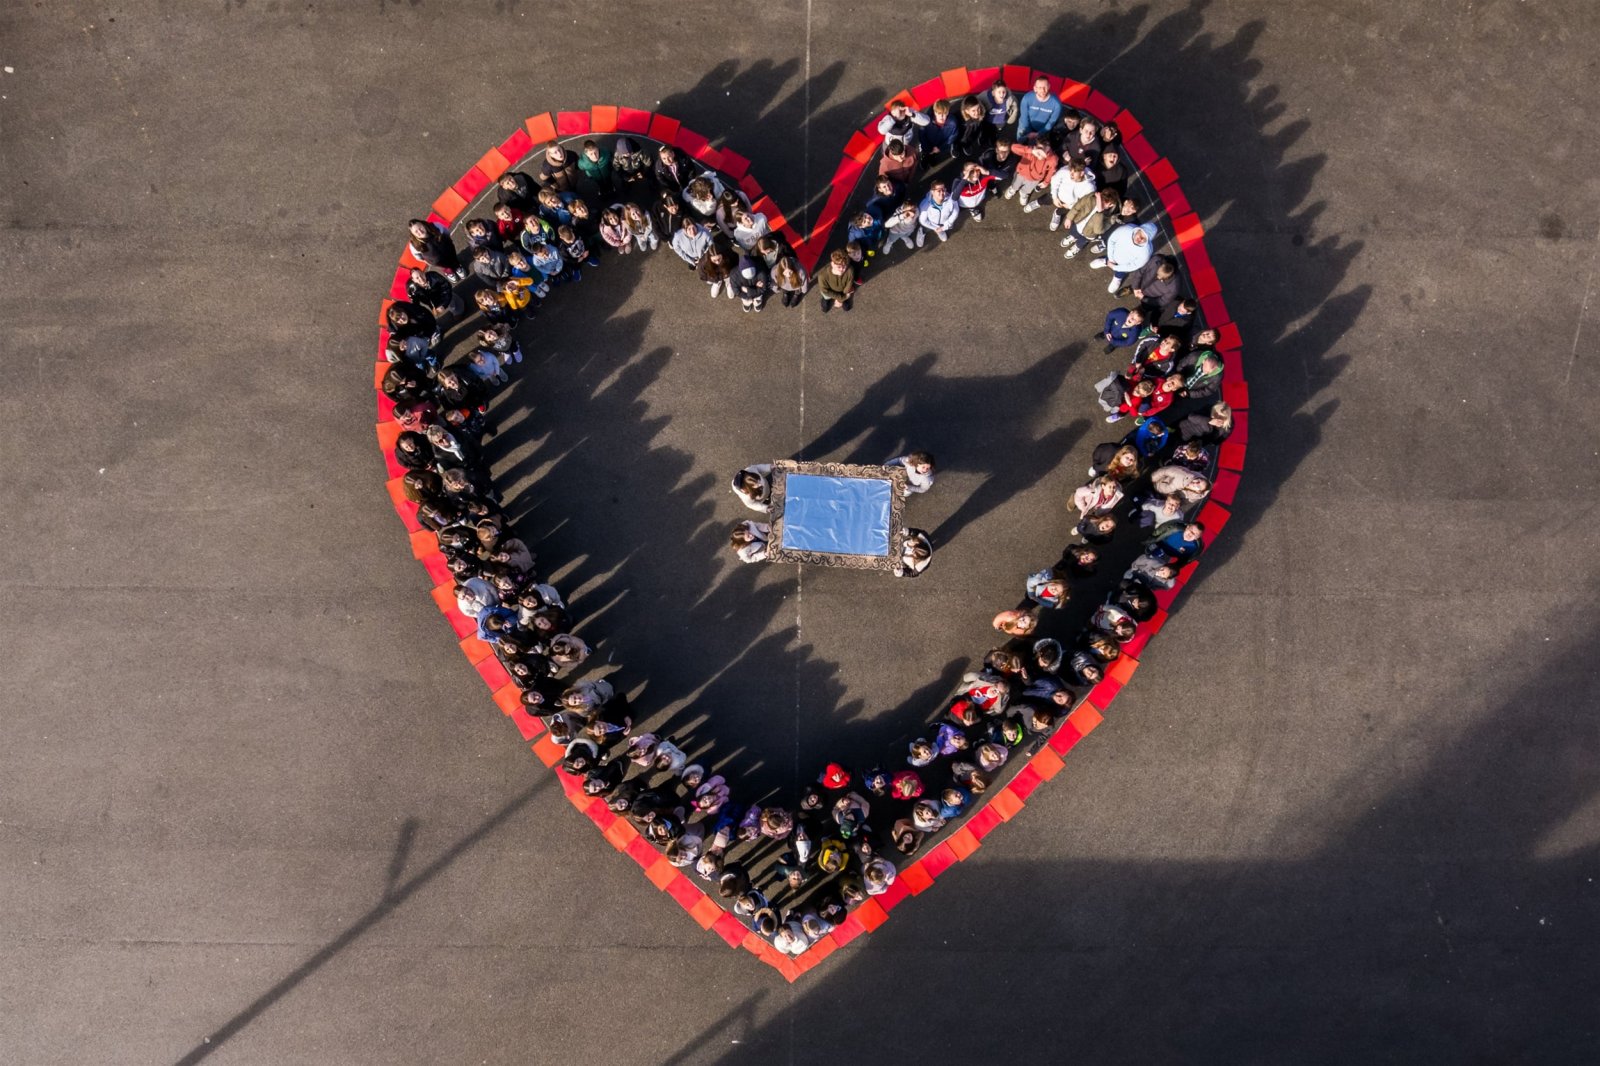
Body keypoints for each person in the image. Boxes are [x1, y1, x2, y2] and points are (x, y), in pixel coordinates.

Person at [1093, 221, 1160, 295]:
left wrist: (1116, 267)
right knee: (1108, 258)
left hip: (1124, 265)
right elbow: (1112, 240)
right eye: (1140, 234)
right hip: (1113, 255)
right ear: (1138, 230)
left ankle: (1117, 278)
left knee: (1121, 272)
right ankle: (1104, 261)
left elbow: (1133, 266)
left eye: (1144, 238)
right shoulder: (1126, 229)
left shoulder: (1146, 252)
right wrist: (1111, 259)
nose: (1140, 239)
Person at [1061, 187, 1122, 260]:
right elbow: (1078, 205)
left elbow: (1098, 231)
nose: (1100, 203)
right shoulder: (1091, 198)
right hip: (1078, 224)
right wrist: (1069, 218)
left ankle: (1077, 247)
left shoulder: (1111, 217)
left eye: (1105, 203)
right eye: (1101, 200)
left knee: (1082, 242)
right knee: (1073, 232)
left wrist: (1100, 213)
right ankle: (1073, 237)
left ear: (1111, 205)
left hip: (1089, 234)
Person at [1005, 139, 1059, 213]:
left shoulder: (1053, 159)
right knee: (1015, 184)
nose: (1040, 152)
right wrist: (1031, 151)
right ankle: (1013, 189)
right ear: (1036, 146)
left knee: (1027, 189)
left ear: (1048, 148)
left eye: (1043, 149)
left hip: (1034, 179)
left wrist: (1046, 182)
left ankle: (1024, 194)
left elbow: (1051, 171)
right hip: (1021, 174)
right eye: (1039, 149)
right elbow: (1013, 147)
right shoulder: (1030, 150)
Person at [406, 218, 467, 283]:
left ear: (423, 224)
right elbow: (418, 257)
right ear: (413, 234)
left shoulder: (435, 226)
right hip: (437, 262)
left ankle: (457, 267)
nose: (420, 232)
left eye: (420, 228)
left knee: (454, 260)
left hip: (449, 251)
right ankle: (449, 273)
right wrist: (428, 261)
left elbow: (446, 233)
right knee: (445, 268)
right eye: (416, 231)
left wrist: (448, 243)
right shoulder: (414, 245)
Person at [1046, 160, 1097, 232]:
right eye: (1070, 171)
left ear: (1082, 173)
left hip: (1069, 205)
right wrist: (1055, 197)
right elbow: (1055, 180)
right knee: (1045, 199)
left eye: (1074, 172)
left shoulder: (1089, 187)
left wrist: (1070, 206)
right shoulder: (1064, 171)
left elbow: (1083, 202)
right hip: (1057, 196)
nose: (1071, 174)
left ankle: (1057, 213)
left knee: (1061, 211)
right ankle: (1037, 202)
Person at [1015, 75, 1063, 143]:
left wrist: (1039, 133)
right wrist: (1029, 133)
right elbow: (1024, 117)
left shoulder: (1056, 104)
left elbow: (1051, 122)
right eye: (1040, 87)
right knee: (1020, 141)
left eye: (1045, 87)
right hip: (1025, 126)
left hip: (1043, 129)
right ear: (1035, 88)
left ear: (1049, 86)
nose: (1043, 90)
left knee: (1038, 146)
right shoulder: (1026, 98)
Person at [916, 181, 960, 246]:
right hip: (931, 223)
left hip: (944, 223)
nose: (942, 192)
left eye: (943, 189)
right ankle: (922, 231)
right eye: (939, 190)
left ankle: (940, 232)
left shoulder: (951, 199)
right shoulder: (925, 205)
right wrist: (935, 228)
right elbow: (923, 220)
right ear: (932, 192)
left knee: (943, 229)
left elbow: (955, 212)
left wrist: (944, 227)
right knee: (925, 228)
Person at [817, 249, 856, 313]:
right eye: (839, 267)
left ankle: (843, 299)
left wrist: (840, 300)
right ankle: (827, 300)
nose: (842, 269)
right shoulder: (822, 276)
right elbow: (825, 291)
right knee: (825, 304)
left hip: (843, 292)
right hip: (829, 292)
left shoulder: (850, 271)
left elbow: (847, 287)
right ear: (832, 264)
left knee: (846, 308)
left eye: (844, 266)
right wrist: (842, 298)